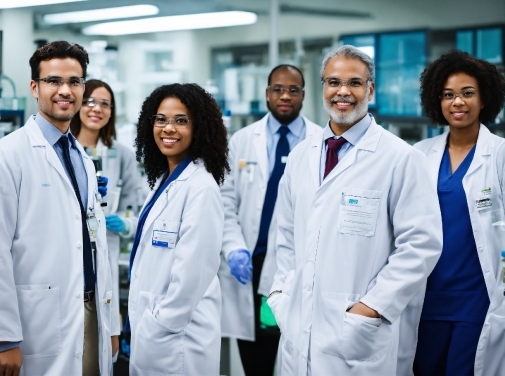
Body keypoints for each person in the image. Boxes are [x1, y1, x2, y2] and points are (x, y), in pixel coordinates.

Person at [266, 45, 443, 375]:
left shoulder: (400, 159)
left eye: (354, 83)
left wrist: (371, 308)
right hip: (299, 324)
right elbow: (286, 236)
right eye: (333, 82)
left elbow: (421, 245)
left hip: (359, 334)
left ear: (370, 90)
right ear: (323, 88)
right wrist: (281, 292)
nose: (342, 92)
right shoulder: (302, 156)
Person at [0, 41, 118, 376]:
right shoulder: (5, 157)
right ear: (35, 87)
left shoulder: (81, 156)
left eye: (75, 82)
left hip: (92, 311)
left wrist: (111, 324)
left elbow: (96, 244)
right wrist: (4, 339)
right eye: (54, 81)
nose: (65, 90)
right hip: (38, 321)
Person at [219, 64, 321, 375]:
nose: (285, 96)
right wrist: (234, 248)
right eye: (278, 89)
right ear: (267, 94)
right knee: (258, 359)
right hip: (250, 269)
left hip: (298, 269)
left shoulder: (321, 142)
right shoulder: (242, 140)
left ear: (304, 95)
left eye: (293, 90)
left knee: (299, 354)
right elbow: (225, 202)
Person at [412, 50, 505, 376]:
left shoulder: (500, 154)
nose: (458, 103)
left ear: (484, 99)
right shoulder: (419, 155)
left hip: (478, 297)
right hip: (426, 297)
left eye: (468, 93)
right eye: (448, 95)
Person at [127, 83, 229, 375]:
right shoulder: (165, 179)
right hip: (157, 336)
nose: (168, 128)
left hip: (178, 340)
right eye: (161, 119)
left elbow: (191, 277)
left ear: (199, 128)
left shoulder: (201, 188)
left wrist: (159, 325)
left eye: (181, 121)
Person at [70, 79, 141, 357]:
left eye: (105, 104)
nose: (96, 108)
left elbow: (137, 209)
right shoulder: (62, 149)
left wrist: (124, 224)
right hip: (68, 254)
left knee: (104, 349)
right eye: (89, 101)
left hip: (106, 254)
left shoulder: (122, 156)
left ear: (112, 112)